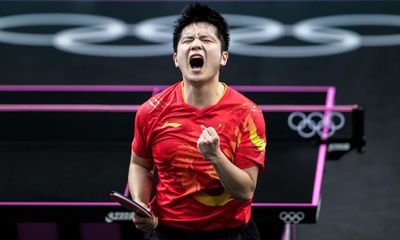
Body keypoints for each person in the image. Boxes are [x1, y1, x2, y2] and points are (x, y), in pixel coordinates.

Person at [128, 3, 266, 240]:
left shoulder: (247, 113)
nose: (196, 44)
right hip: (167, 232)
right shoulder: (151, 111)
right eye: (187, 40)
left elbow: (245, 191)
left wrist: (215, 156)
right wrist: (141, 204)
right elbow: (140, 164)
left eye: (207, 39)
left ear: (224, 58)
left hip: (230, 234)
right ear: (175, 58)